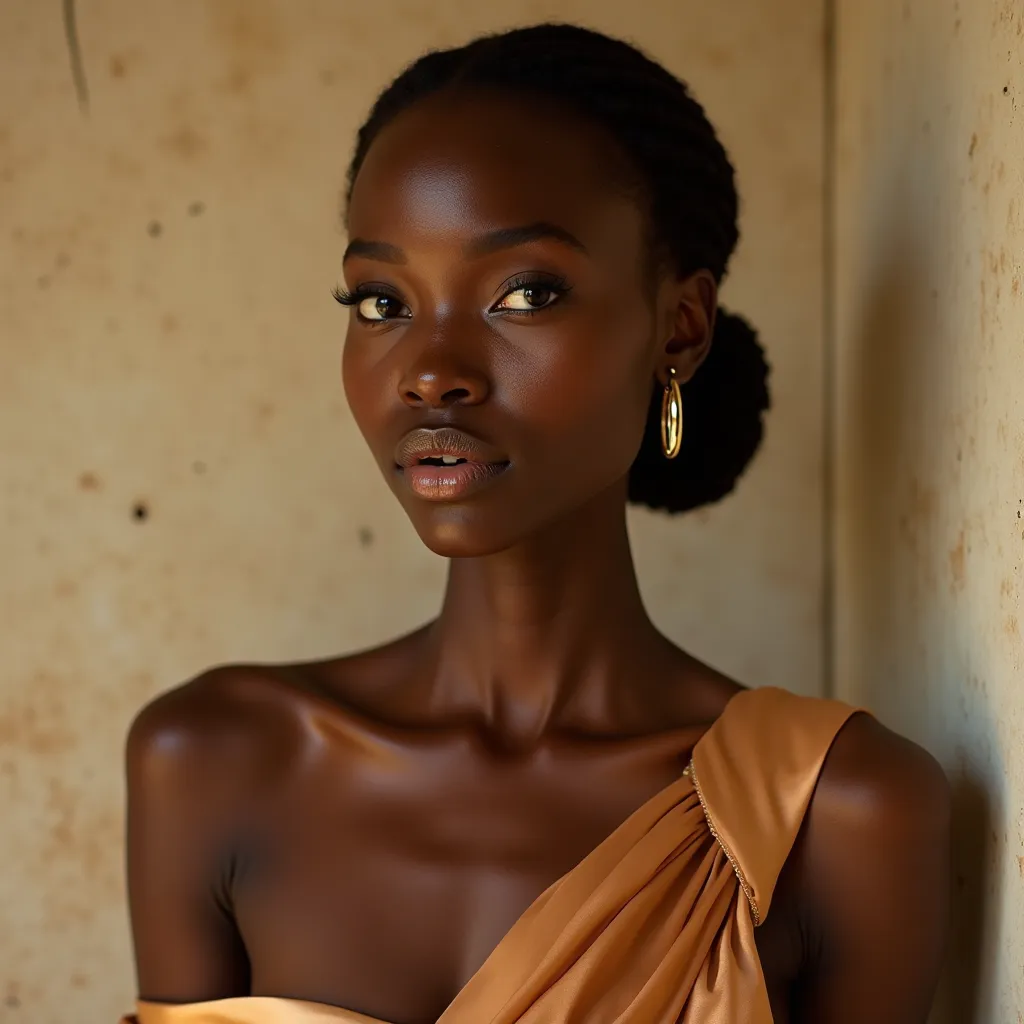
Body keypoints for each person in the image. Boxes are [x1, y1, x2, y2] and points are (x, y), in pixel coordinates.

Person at [121, 23, 951, 1024]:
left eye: (525, 293)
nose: (430, 371)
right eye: (382, 301)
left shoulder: (836, 812)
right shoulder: (208, 760)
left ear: (678, 328)